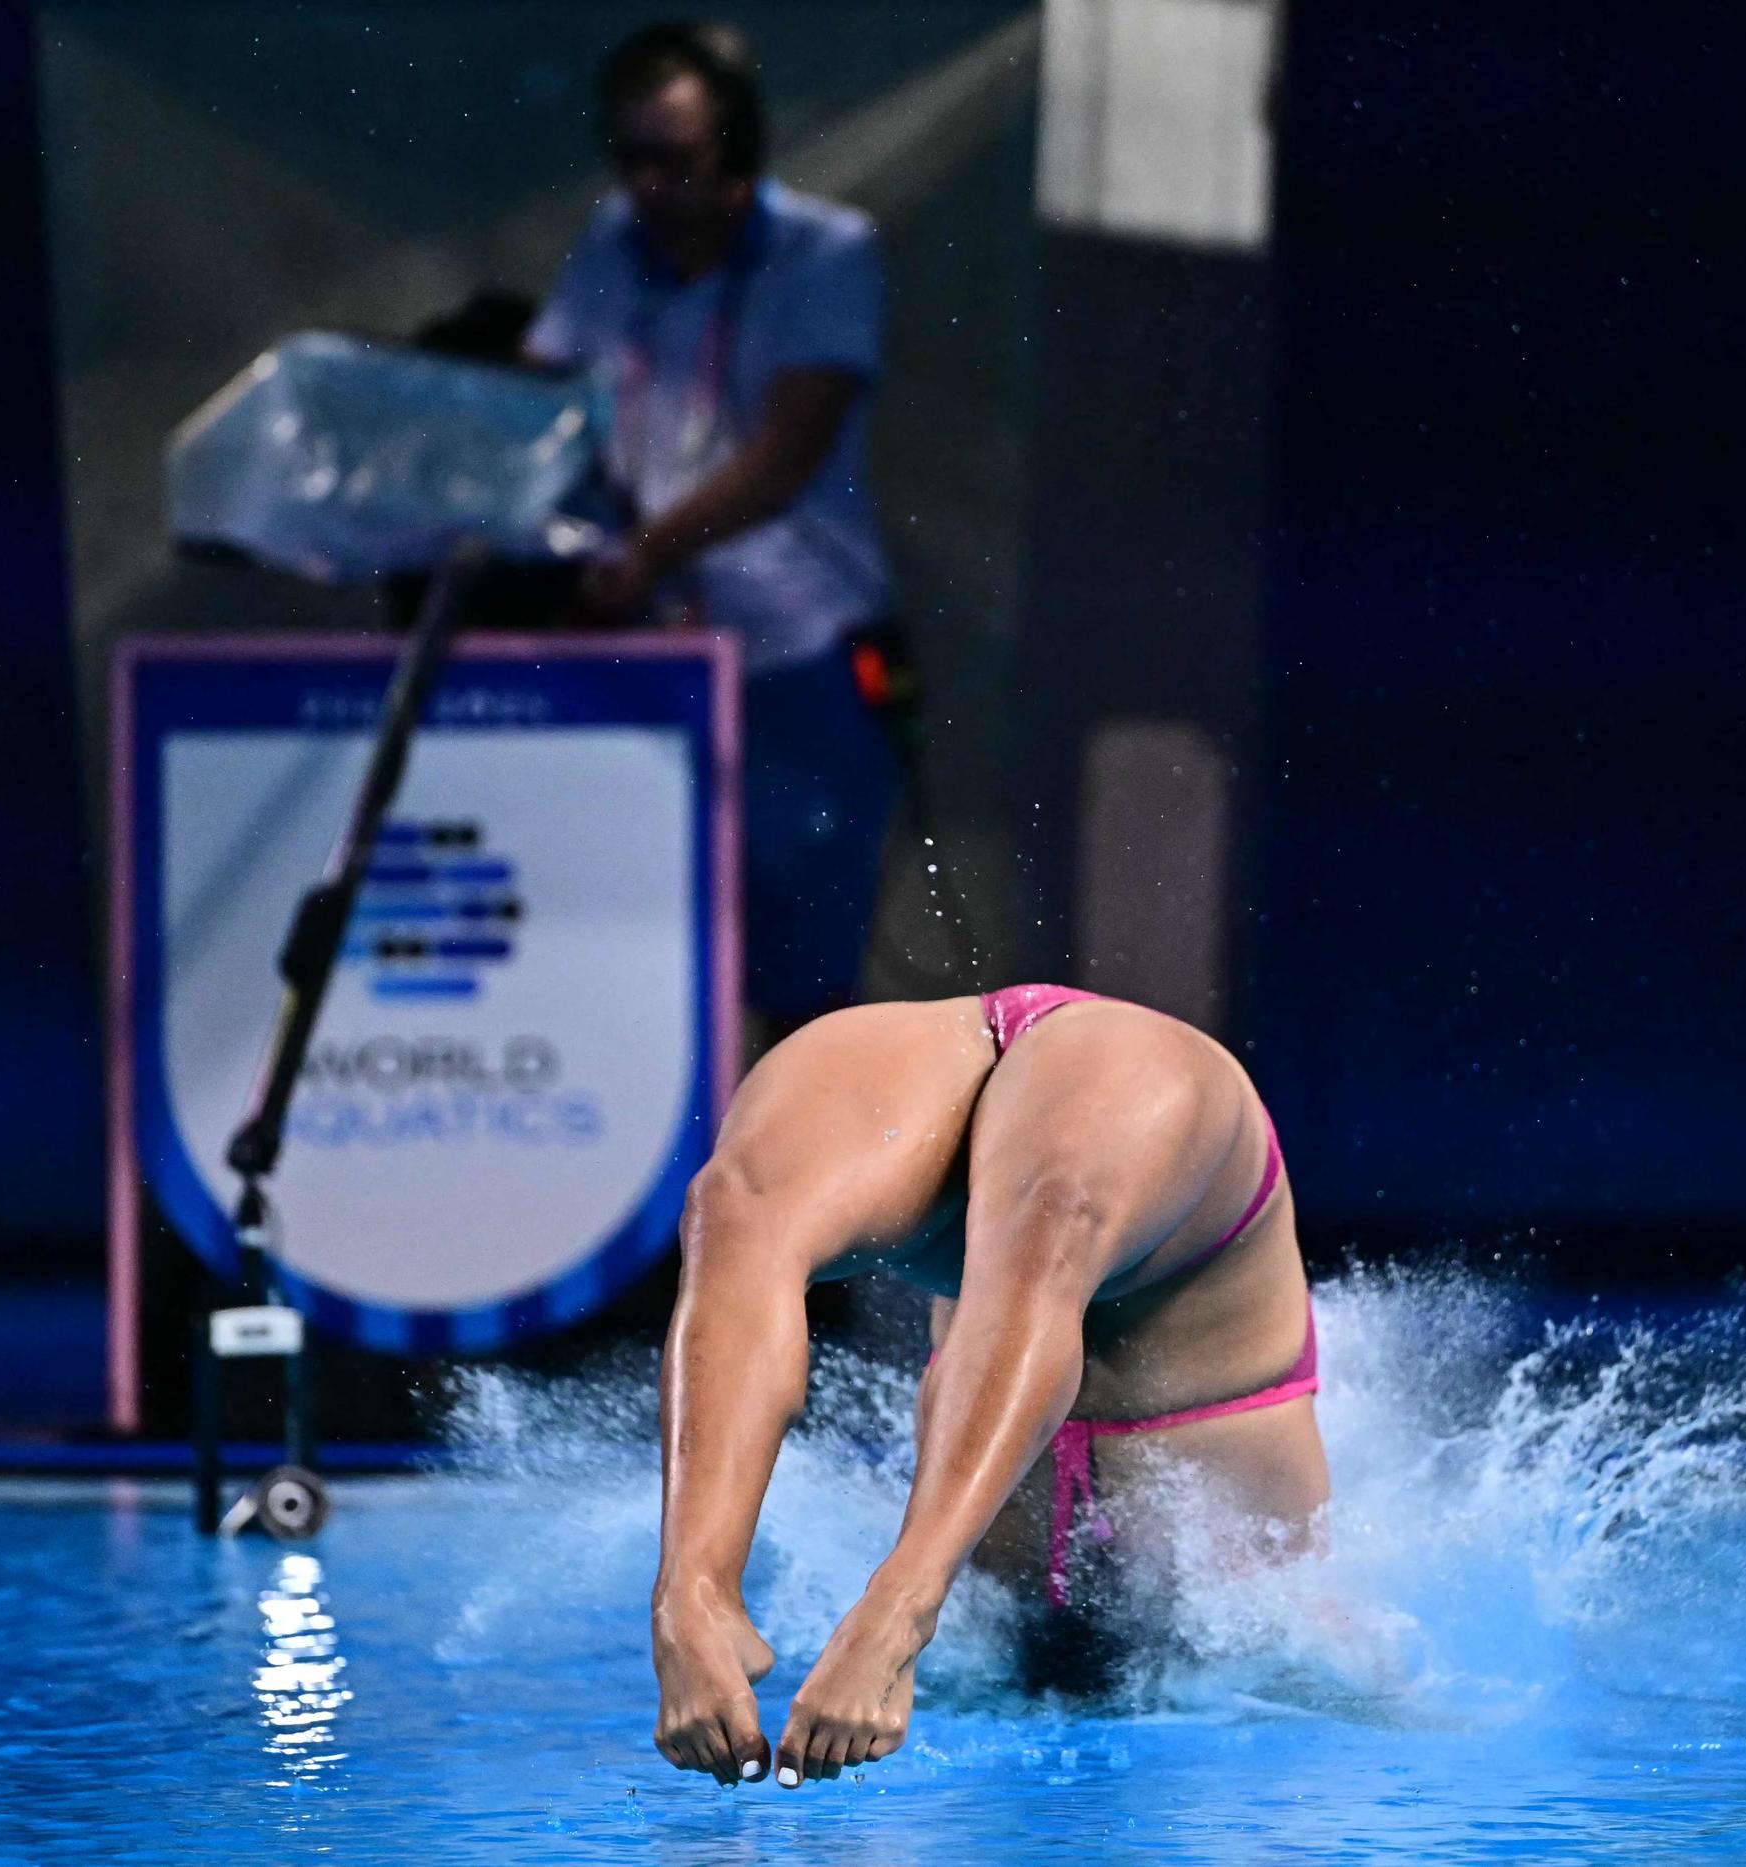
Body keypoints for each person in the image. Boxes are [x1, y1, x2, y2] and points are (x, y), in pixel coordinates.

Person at [648, 985, 1329, 1786]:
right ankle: (698, 1598)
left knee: (1048, 1224)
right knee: (735, 1211)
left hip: (1140, 1108)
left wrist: (896, 1614)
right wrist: (689, 1586)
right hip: (950, 1065)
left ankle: (900, 1603)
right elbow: (737, 1267)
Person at [523, 21, 900, 1029]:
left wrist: (644, 551)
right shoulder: (612, 240)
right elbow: (543, 394)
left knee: (801, 970)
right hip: (654, 644)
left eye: (677, 161)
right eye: (633, 159)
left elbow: (784, 455)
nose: (652, 187)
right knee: (639, 956)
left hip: (798, 649)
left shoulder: (827, 252)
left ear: (736, 156)